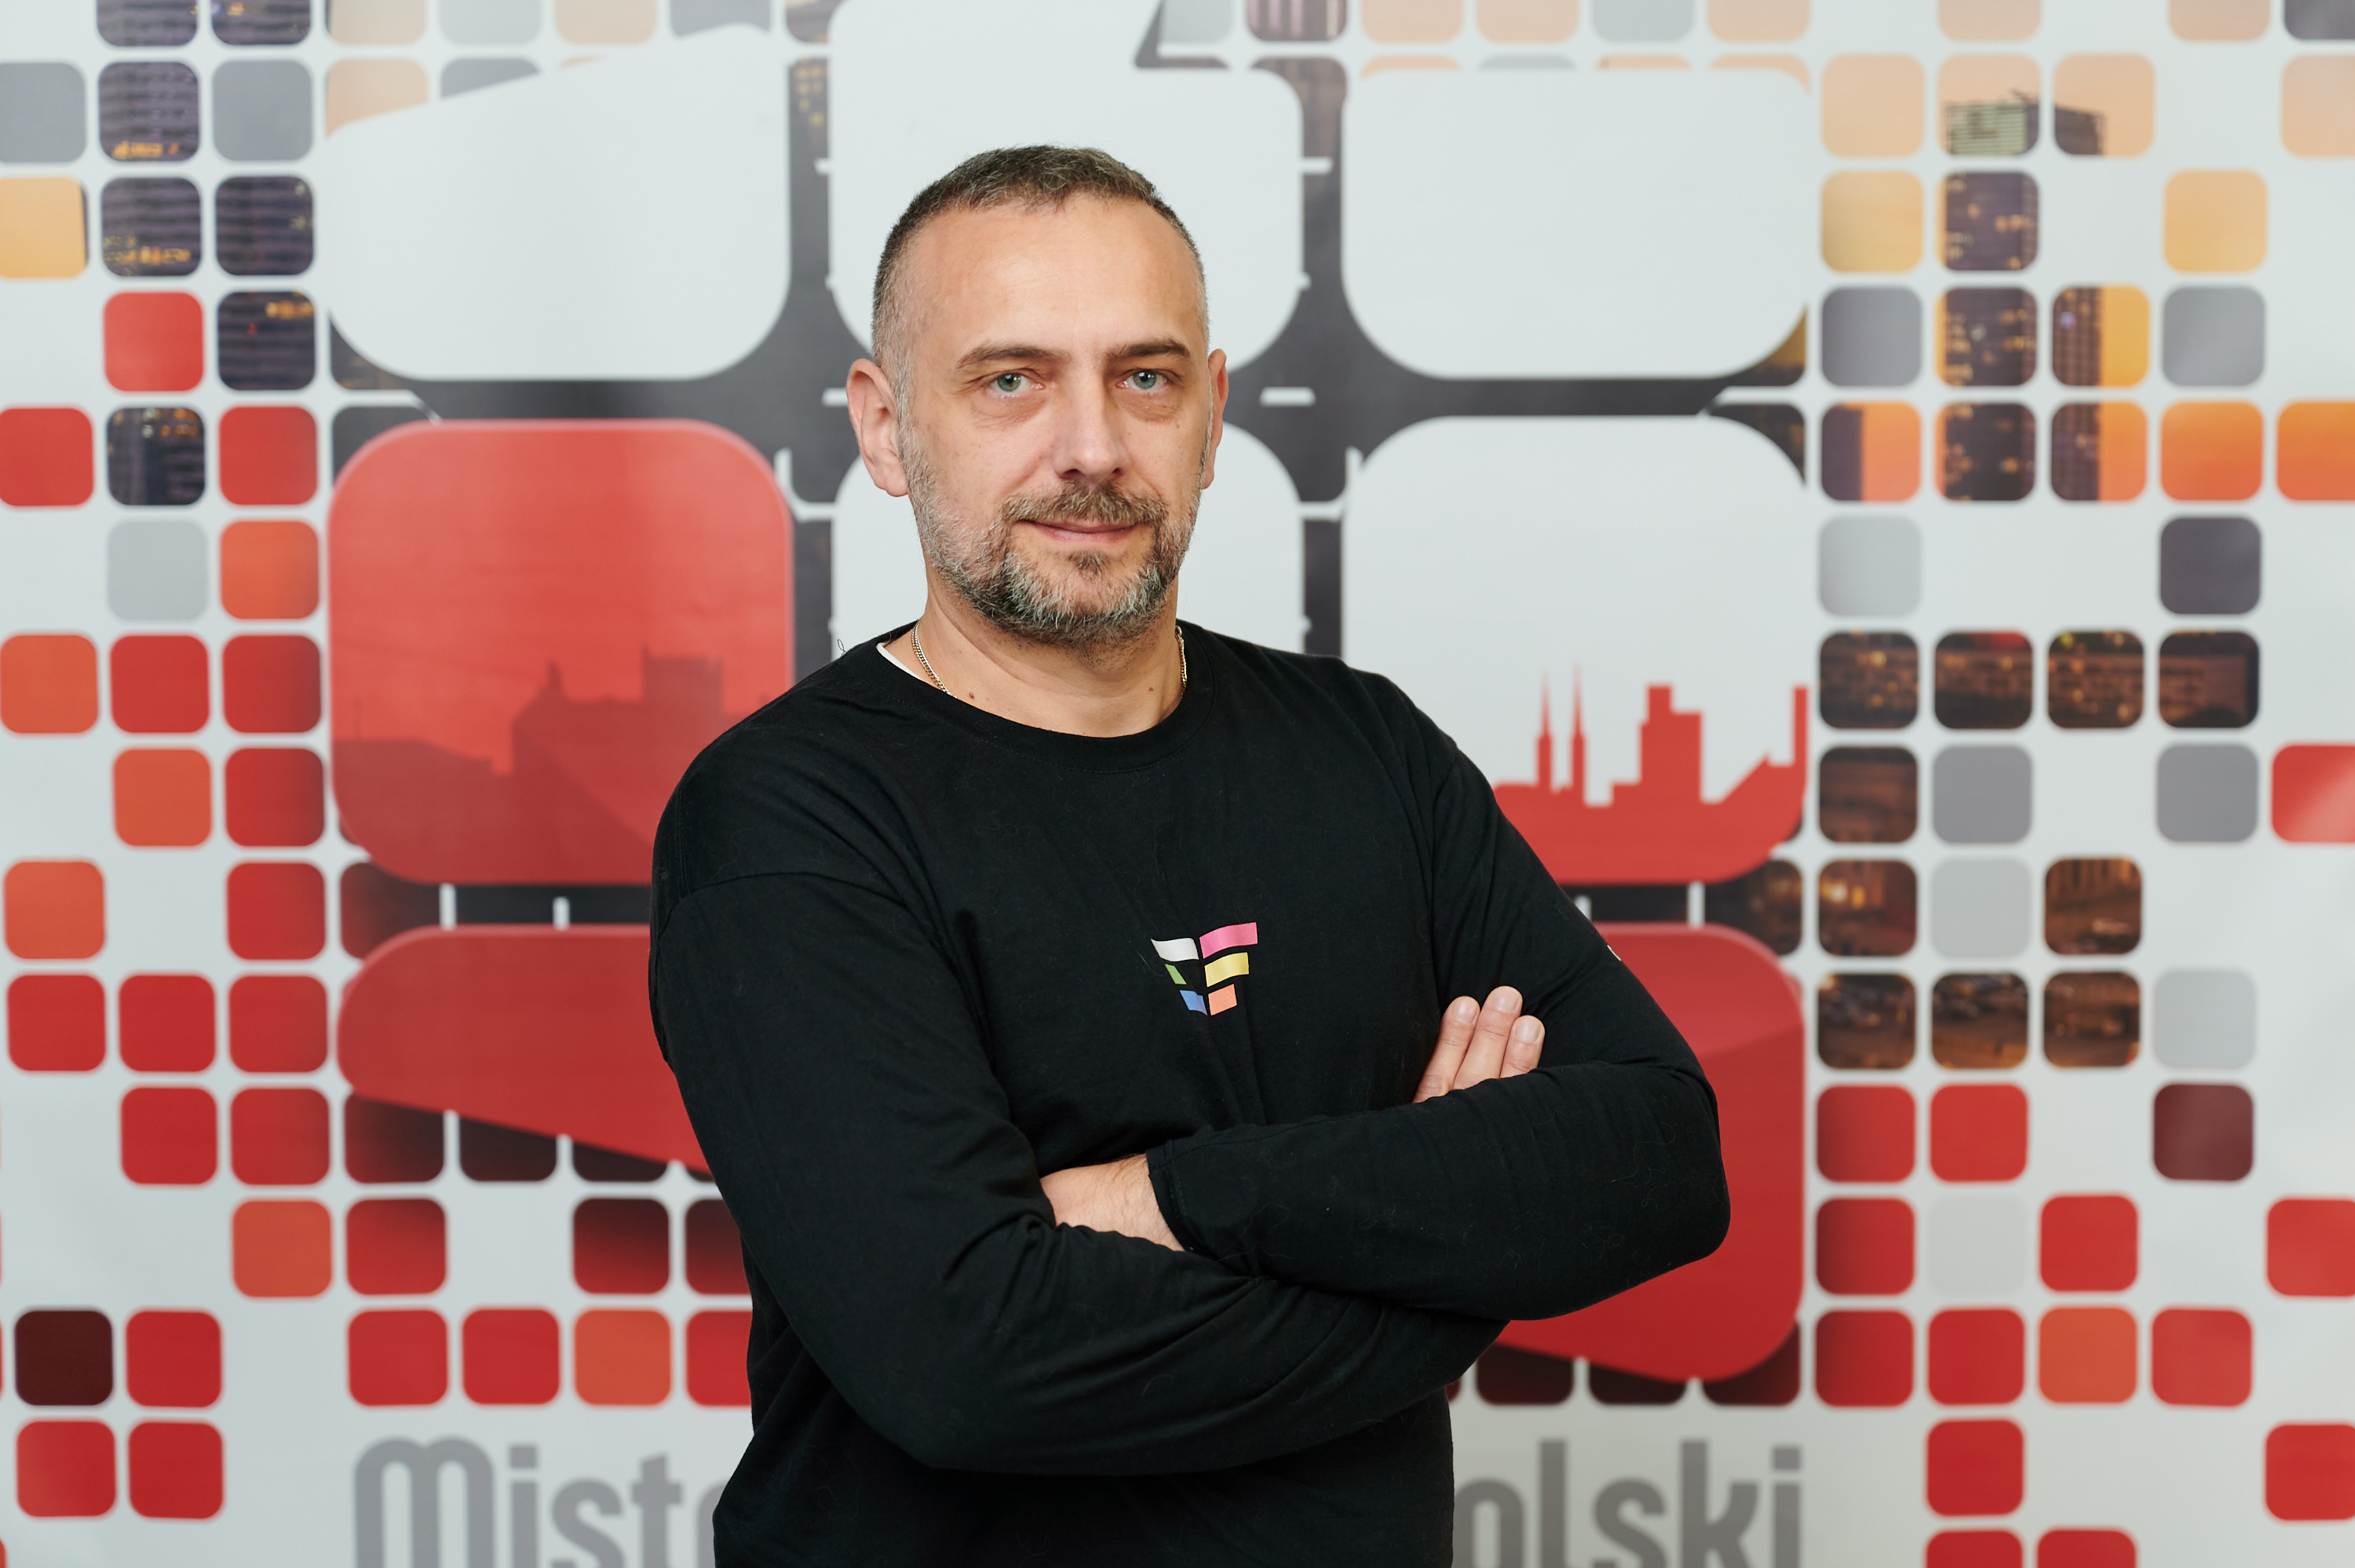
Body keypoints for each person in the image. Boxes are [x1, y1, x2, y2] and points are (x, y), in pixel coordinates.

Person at [650, 145, 1729, 1566]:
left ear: (1213, 416)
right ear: (888, 426)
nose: (1093, 447)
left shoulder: (1368, 751)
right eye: (1011, 380)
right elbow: (968, 1364)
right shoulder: (788, 817)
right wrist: (1444, 1242)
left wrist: (1160, 1196)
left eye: (1145, 378)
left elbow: (1660, 1156)